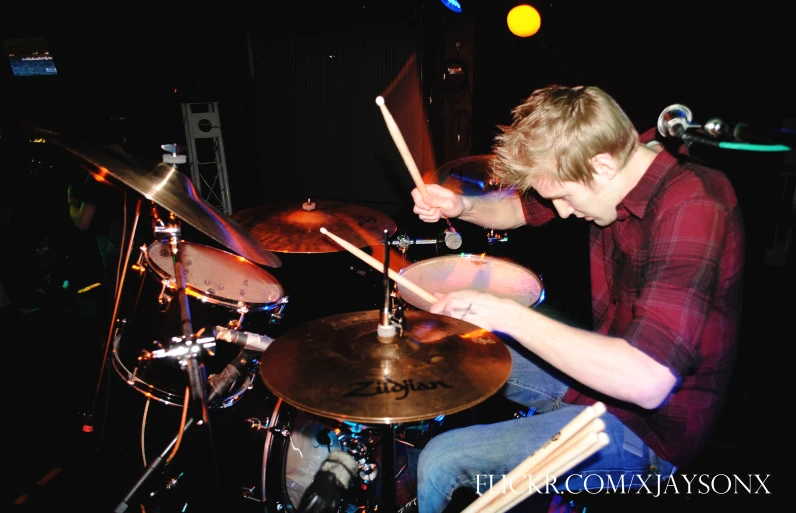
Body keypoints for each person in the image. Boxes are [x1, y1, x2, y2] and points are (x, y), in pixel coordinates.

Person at [410, 85, 745, 513]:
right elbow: (518, 210)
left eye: (565, 197)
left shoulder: (695, 205)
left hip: (654, 429)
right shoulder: (614, 158)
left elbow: (647, 381)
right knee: (457, 350)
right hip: (601, 380)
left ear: (602, 166)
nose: (562, 212)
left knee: (443, 458)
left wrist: (508, 314)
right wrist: (459, 204)